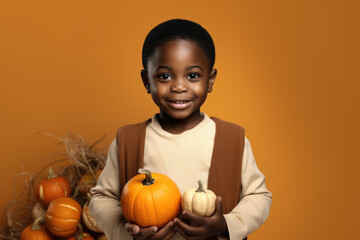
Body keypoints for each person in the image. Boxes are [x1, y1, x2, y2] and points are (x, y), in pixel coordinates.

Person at [90, 19, 272, 240]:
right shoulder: (128, 140)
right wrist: (127, 234)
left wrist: (226, 225)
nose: (179, 86)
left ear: (211, 80)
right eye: (165, 76)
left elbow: (258, 196)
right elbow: (101, 199)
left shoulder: (232, 139)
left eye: (193, 76)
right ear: (147, 81)